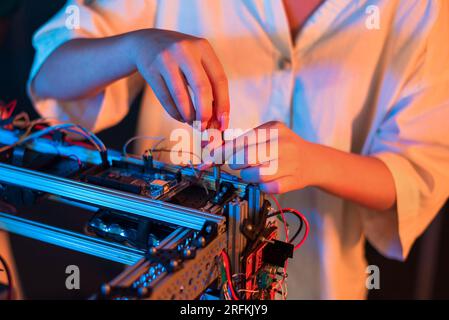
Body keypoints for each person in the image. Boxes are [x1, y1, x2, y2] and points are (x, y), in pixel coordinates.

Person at [23, 0, 449, 299]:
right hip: (177, 282)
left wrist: (314, 162)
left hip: (322, 286)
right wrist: (136, 45)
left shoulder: (421, 8)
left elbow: (418, 172)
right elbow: (48, 76)